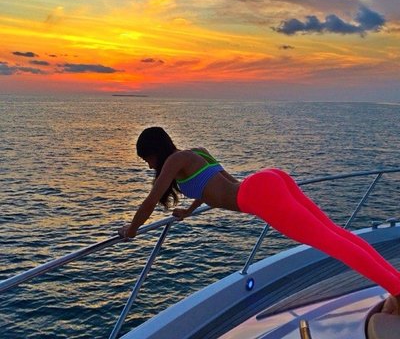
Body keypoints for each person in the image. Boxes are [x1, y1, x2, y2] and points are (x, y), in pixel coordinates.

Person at [118, 126, 400, 314]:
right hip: (267, 180)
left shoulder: (174, 160)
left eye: (147, 159)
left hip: (260, 195)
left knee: (333, 243)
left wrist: (132, 229)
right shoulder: (197, 153)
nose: (149, 165)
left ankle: (397, 290)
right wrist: (189, 211)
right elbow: (215, 186)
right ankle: (396, 281)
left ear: (156, 150)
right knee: (337, 235)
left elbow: (151, 200)